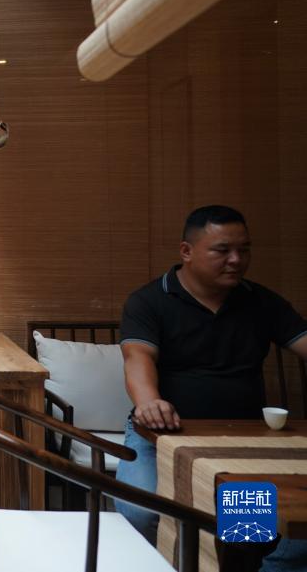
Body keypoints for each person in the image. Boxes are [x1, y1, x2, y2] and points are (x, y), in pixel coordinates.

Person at [116, 205, 307, 569]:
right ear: (186, 251)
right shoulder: (150, 300)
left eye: (244, 250)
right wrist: (149, 402)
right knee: (141, 511)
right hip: (163, 435)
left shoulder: (261, 301)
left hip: (245, 441)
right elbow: (137, 357)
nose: (236, 260)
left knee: (249, 533)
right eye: (222, 250)